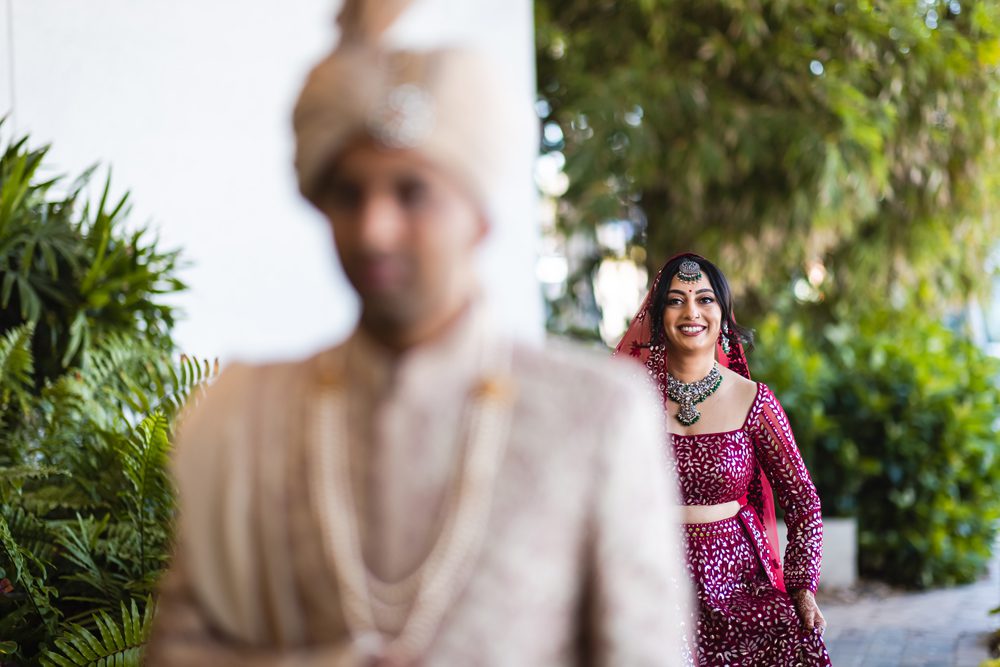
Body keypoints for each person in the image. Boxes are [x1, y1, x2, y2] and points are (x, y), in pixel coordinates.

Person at [146, 1, 692, 664]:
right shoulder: (249, 418)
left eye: (411, 193)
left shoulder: (591, 414)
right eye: (349, 195)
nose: (374, 230)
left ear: (479, 219)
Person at [615, 252, 831, 666]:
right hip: (653, 575)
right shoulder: (630, 401)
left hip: (737, 581)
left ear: (723, 312)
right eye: (675, 300)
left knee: (796, 643)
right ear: (657, 316)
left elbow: (803, 500)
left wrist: (802, 588)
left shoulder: (753, 401)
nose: (691, 312)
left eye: (704, 299)